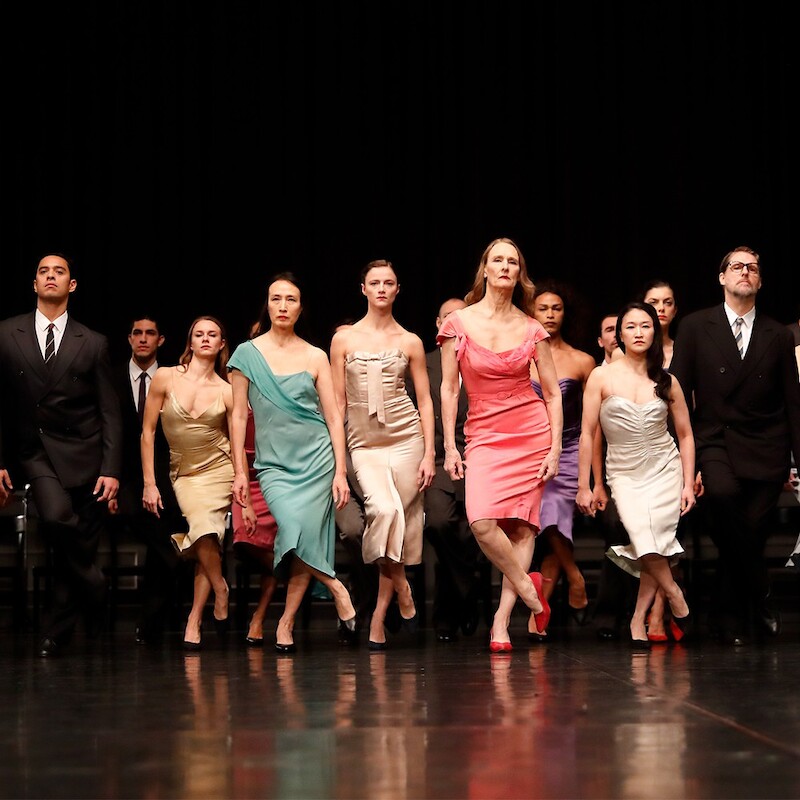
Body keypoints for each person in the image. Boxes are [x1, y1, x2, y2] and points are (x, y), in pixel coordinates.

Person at [438, 237, 563, 653]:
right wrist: (450, 447)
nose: (506, 266)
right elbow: (449, 389)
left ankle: (502, 620)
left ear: (518, 273)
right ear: (486, 269)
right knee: (481, 521)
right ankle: (530, 591)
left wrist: (555, 448)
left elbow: (552, 393)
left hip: (530, 431)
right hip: (484, 434)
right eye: (498, 260)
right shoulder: (458, 323)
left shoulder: (532, 328)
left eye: (513, 261)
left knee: (523, 527)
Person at [670, 246, 800, 646]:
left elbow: (793, 403)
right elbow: (677, 395)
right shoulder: (695, 326)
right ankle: (762, 592)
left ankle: (727, 617)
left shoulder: (778, 334)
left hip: (767, 445)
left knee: (751, 531)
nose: (745, 272)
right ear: (722, 277)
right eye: (737, 266)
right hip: (715, 440)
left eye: (753, 268)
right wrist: (685, 463)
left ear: (760, 281)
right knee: (725, 499)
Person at [0, 252, 122, 657]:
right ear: (34, 284)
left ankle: (56, 633)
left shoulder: (93, 341)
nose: (50, 276)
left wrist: (111, 468)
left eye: (59, 271)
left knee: (78, 544)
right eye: (43, 271)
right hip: (36, 451)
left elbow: (109, 411)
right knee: (55, 517)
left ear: (72, 285)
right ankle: (95, 584)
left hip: (86, 453)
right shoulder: (7, 333)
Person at [229, 273, 357, 653]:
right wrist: (240, 472)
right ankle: (336, 587)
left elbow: (332, 416)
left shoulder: (315, 355)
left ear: (300, 308)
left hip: (317, 460)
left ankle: (285, 623)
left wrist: (340, 471)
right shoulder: (246, 354)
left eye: (291, 299)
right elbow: (238, 415)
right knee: (293, 528)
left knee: (308, 538)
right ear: (267, 305)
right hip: (274, 465)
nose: (283, 306)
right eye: (276, 298)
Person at [330, 259, 436, 651]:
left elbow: (424, 400)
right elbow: (337, 405)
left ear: (397, 290)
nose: (381, 289)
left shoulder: (410, 341)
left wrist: (430, 453)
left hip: (406, 439)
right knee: (383, 511)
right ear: (363, 289)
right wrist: (339, 466)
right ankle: (403, 588)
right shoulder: (344, 340)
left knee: (401, 526)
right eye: (374, 282)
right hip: (364, 443)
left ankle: (377, 619)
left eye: (388, 283)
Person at [577, 302, 696, 647]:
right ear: (619, 335)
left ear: (655, 332)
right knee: (642, 535)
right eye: (630, 327)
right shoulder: (601, 376)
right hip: (624, 472)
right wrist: (586, 484)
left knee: (654, 542)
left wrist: (688, 483)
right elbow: (588, 433)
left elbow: (686, 435)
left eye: (645, 326)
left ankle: (636, 618)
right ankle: (674, 592)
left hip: (665, 468)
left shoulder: (667, 380)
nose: (639, 332)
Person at [142, 315, 237, 651]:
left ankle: (195, 619)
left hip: (219, 470)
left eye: (213, 334)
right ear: (191, 341)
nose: (206, 339)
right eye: (199, 334)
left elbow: (236, 440)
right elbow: (147, 432)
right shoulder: (166, 377)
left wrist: (240, 478)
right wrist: (149, 483)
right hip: (184, 472)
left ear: (222, 344)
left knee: (206, 532)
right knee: (204, 536)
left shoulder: (227, 390)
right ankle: (220, 587)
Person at [109, 315, 189, 644]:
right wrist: (112, 480)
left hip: (166, 477)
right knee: (164, 537)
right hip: (123, 479)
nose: (143, 338)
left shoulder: (175, 379)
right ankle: (177, 560)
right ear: (129, 339)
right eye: (137, 333)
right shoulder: (112, 378)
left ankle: (151, 622)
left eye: (150, 333)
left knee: (166, 526)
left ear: (161, 340)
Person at [408, 297, 483, 643]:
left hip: (479, 457)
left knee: (472, 529)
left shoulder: (482, 359)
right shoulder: (423, 363)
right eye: (448, 318)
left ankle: (448, 614)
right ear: (438, 325)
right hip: (436, 458)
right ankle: (469, 586)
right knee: (439, 522)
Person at [529, 280, 596, 638]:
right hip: (530, 452)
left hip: (570, 451)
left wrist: (592, 477)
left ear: (565, 313)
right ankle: (574, 578)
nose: (550, 314)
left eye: (556, 308)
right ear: (531, 312)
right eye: (543, 308)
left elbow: (592, 424)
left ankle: (540, 612)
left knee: (554, 511)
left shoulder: (582, 360)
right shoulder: (521, 356)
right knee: (553, 520)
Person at [231, 321, 279, 647]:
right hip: (244, 478)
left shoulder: (286, 382)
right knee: (244, 539)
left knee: (281, 547)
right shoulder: (236, 381)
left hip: (276, 476)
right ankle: (289, 571)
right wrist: (241, 483)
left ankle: (260, 616)